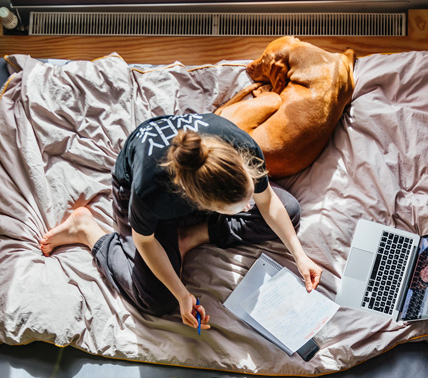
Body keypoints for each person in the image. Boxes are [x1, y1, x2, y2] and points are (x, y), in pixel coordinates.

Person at [39, 112, 322, 331]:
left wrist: (299, 255)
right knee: (157, 300)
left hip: (195, 184)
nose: (250, 206)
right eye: (239, 206)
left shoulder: (243, 149)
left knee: (289, 211)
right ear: (203, 204)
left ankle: (191, 237)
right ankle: (87, 230)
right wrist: (182, 294)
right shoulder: (150, 190)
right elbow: (145, 242)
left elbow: (267, 201)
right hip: (141, 197)